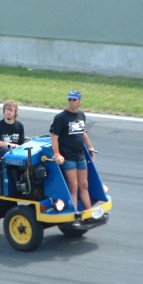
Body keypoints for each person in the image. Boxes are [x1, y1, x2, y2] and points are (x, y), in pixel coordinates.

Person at [49, 90, 96, 221]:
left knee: (84, 185)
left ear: (80, 101)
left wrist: (91, 148)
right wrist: (57, 154)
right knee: (73, 186)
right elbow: (54, 137)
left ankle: (89, 214)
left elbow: (83, 133)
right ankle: (74, 215)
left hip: (80, 156)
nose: (71, 102)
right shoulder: (61, 117)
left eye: (74, 100)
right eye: (69, 99)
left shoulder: (82, 115)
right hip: (67, 157)